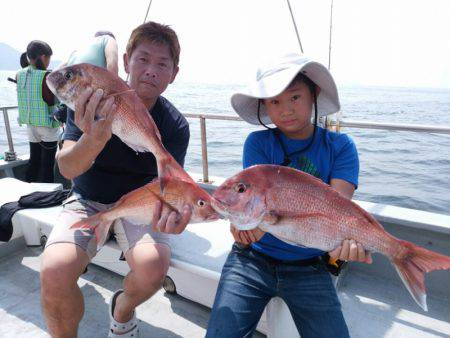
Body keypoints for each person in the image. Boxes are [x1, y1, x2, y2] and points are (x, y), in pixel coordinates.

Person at [40, 22, 191, 338]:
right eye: (143, 59)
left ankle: (121, 311)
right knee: (54, 271)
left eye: (162, 64)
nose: (150, 70)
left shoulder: (175, 125)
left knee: (153, 267)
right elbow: (67, 169)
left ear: (174, 73)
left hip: (138, 205)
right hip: (87, 199)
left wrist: (176, 213)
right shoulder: (90, 99)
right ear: (126, 62)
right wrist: (93, 138)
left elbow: (168, 188)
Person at [206, 54, 373, 338]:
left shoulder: (341, 146)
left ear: (314, 94)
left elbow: (339, 211)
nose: (285, 110)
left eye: (294, 97)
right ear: (264, 106)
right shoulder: (258, 143)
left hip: (310, 266)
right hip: (252, 261)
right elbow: (252, 206)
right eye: (274, 101)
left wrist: (347, 243)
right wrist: (244, 229)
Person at [16, 40, 61, 183]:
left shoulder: (19, 74)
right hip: (47, 126)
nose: (48, 62)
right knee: (47, 166)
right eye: (48, 58)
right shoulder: (47, 76)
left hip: (30, 126)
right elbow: (54, 101)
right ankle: (46, 198)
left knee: (34, 161)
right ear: (42, 57)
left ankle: (29, 192)